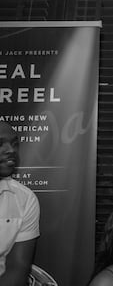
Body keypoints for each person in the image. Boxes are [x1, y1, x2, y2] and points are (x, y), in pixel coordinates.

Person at [0, 121, 40, 286]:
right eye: (0, 144)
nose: (11, 150)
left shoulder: (25, 199)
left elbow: (17, 269)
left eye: (15, 144)